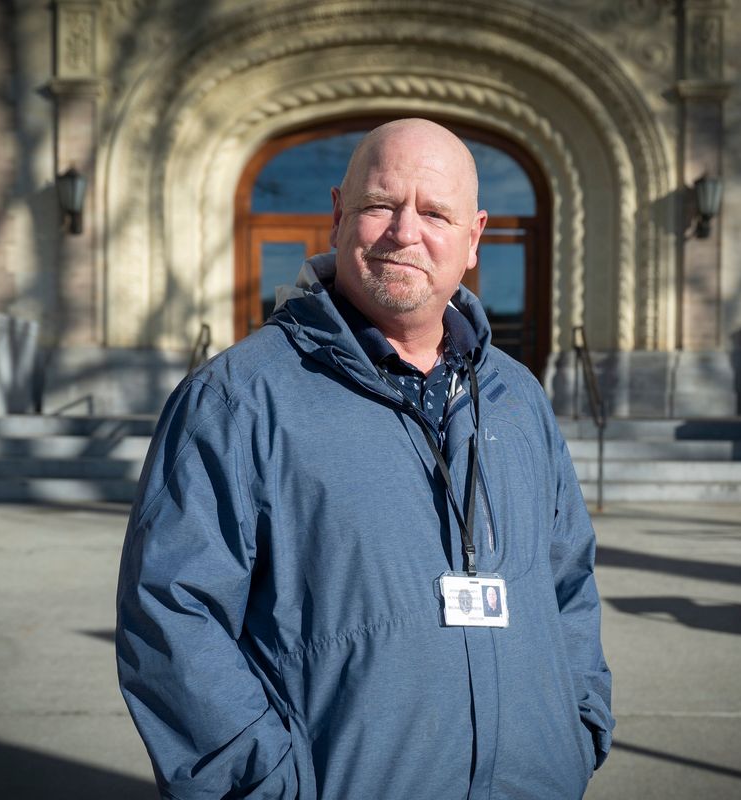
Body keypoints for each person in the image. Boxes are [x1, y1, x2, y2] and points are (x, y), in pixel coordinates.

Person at [116, 118, 613, 799]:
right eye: (381, 204)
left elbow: (569, 585)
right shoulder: (236, 400)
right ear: (338, 216)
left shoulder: (517, 397)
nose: (405, 232)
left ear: (474, 238)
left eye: (436, 212)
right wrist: (262, 789)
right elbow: (173, 617)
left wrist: (577, 725)